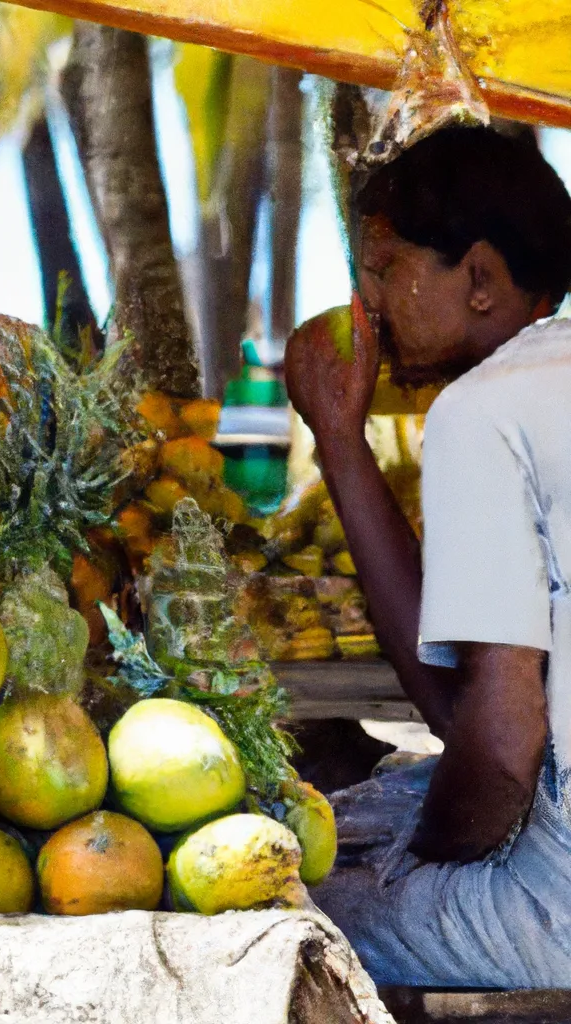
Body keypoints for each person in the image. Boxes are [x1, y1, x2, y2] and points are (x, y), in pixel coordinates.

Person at [284, 125, 571, 987]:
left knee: (288, 903)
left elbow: (500, 742)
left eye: (383, 268)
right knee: (373, 809)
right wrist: (340, 438)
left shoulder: (481, 410)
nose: (366, 301)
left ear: (479, 278)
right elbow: (467, 709)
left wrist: (428, 861)